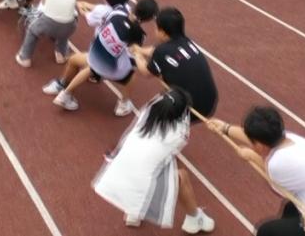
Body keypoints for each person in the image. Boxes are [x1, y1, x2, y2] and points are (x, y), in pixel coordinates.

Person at [208, 107, 305, 236]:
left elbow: (272, 177)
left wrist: (252, 156)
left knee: (266, 231)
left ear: (259, 145)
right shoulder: (290, 139)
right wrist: (225, 128)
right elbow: (259, 142)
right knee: (290, 209)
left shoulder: (278, 164)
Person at [92, 89, 216, 233]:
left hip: (115, 176)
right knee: (181, 176)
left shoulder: (146, 115)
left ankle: (133, 212)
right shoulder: (178, 135)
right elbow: (176, 146)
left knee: (146, 163)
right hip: (135, 183)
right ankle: (194, 219)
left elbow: (156, 101)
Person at [42, 0, 137, 116]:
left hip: (102, 55)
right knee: (131, 74)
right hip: (118, 59)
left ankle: (63, 88)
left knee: (75, 61)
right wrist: (88, 4)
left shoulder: (100, 11)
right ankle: (123, 103)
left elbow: (90, 18)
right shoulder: (127, 10)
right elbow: (104, 9)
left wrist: (82, 8)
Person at [133, 7, 219, 122]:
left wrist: (136, 54)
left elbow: (145, 72)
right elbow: (156, 51)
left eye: (156, 28)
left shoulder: (162, 51)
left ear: (163, 33)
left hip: (193, 110)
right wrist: (140, 50)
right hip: (211, 101)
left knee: (151, 117)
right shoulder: (187, 42)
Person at [16, 0, 80, 67]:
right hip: (71, 26)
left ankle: (24, 58)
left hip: (49, 22)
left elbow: (44, 1)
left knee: (32, 30)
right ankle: (61, 54)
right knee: (63, 32)